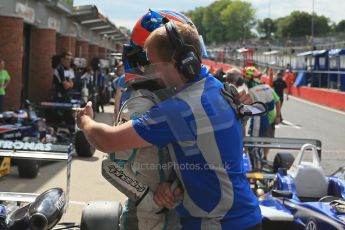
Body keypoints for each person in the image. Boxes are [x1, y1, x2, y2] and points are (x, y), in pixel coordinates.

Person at [77, 15, 261, 230]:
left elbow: (107, 142)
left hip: (218, 223)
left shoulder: (180, 108)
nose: (151, 72)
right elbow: (204, 156)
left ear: (180, 62)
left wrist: (85, 120)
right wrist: (174, 186)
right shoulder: (219, 89)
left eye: (154, 65)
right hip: (232, 216)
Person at [244, 66, 281, 159]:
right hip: (271, 119)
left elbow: (246, 107)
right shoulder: (268, 87)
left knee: (255, 139)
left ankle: (256, 159)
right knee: (267, 140)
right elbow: (278, 101)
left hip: (259, 120)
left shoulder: (252, 91)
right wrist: (278, 116)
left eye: (246, 78)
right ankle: (264, 157)